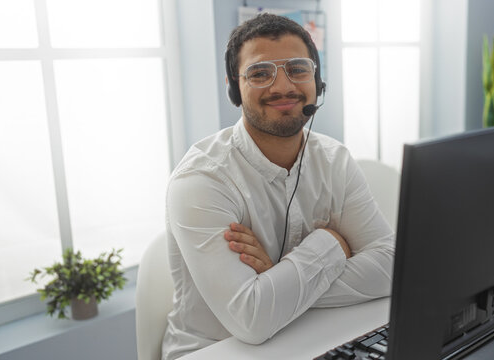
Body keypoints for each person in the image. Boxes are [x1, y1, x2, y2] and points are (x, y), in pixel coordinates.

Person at [161, 13, 394, 360]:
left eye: (298, 69)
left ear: (318, 79)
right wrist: (330, 244)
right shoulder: (201, 181)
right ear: (233, 88)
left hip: (308, 336)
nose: (282, 86)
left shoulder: (335, 160)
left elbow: (390, 268)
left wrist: (276, 275)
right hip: (214, 351)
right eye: (260, 73)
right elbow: (252, 318)